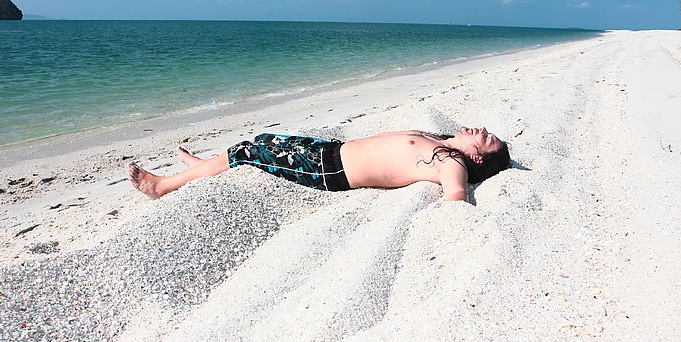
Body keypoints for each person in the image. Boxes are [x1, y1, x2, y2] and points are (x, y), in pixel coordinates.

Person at [128, 127, 510, 203]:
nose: (482, 130)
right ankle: (205, 168)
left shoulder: (449, 162)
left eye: (486, 138)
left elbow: (455, 196)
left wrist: (456, 203)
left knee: (246, 152)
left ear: (478, 157)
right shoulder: (439, 139)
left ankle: (163, 187)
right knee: (260, 142)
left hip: (331, 171)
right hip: (330, 149)